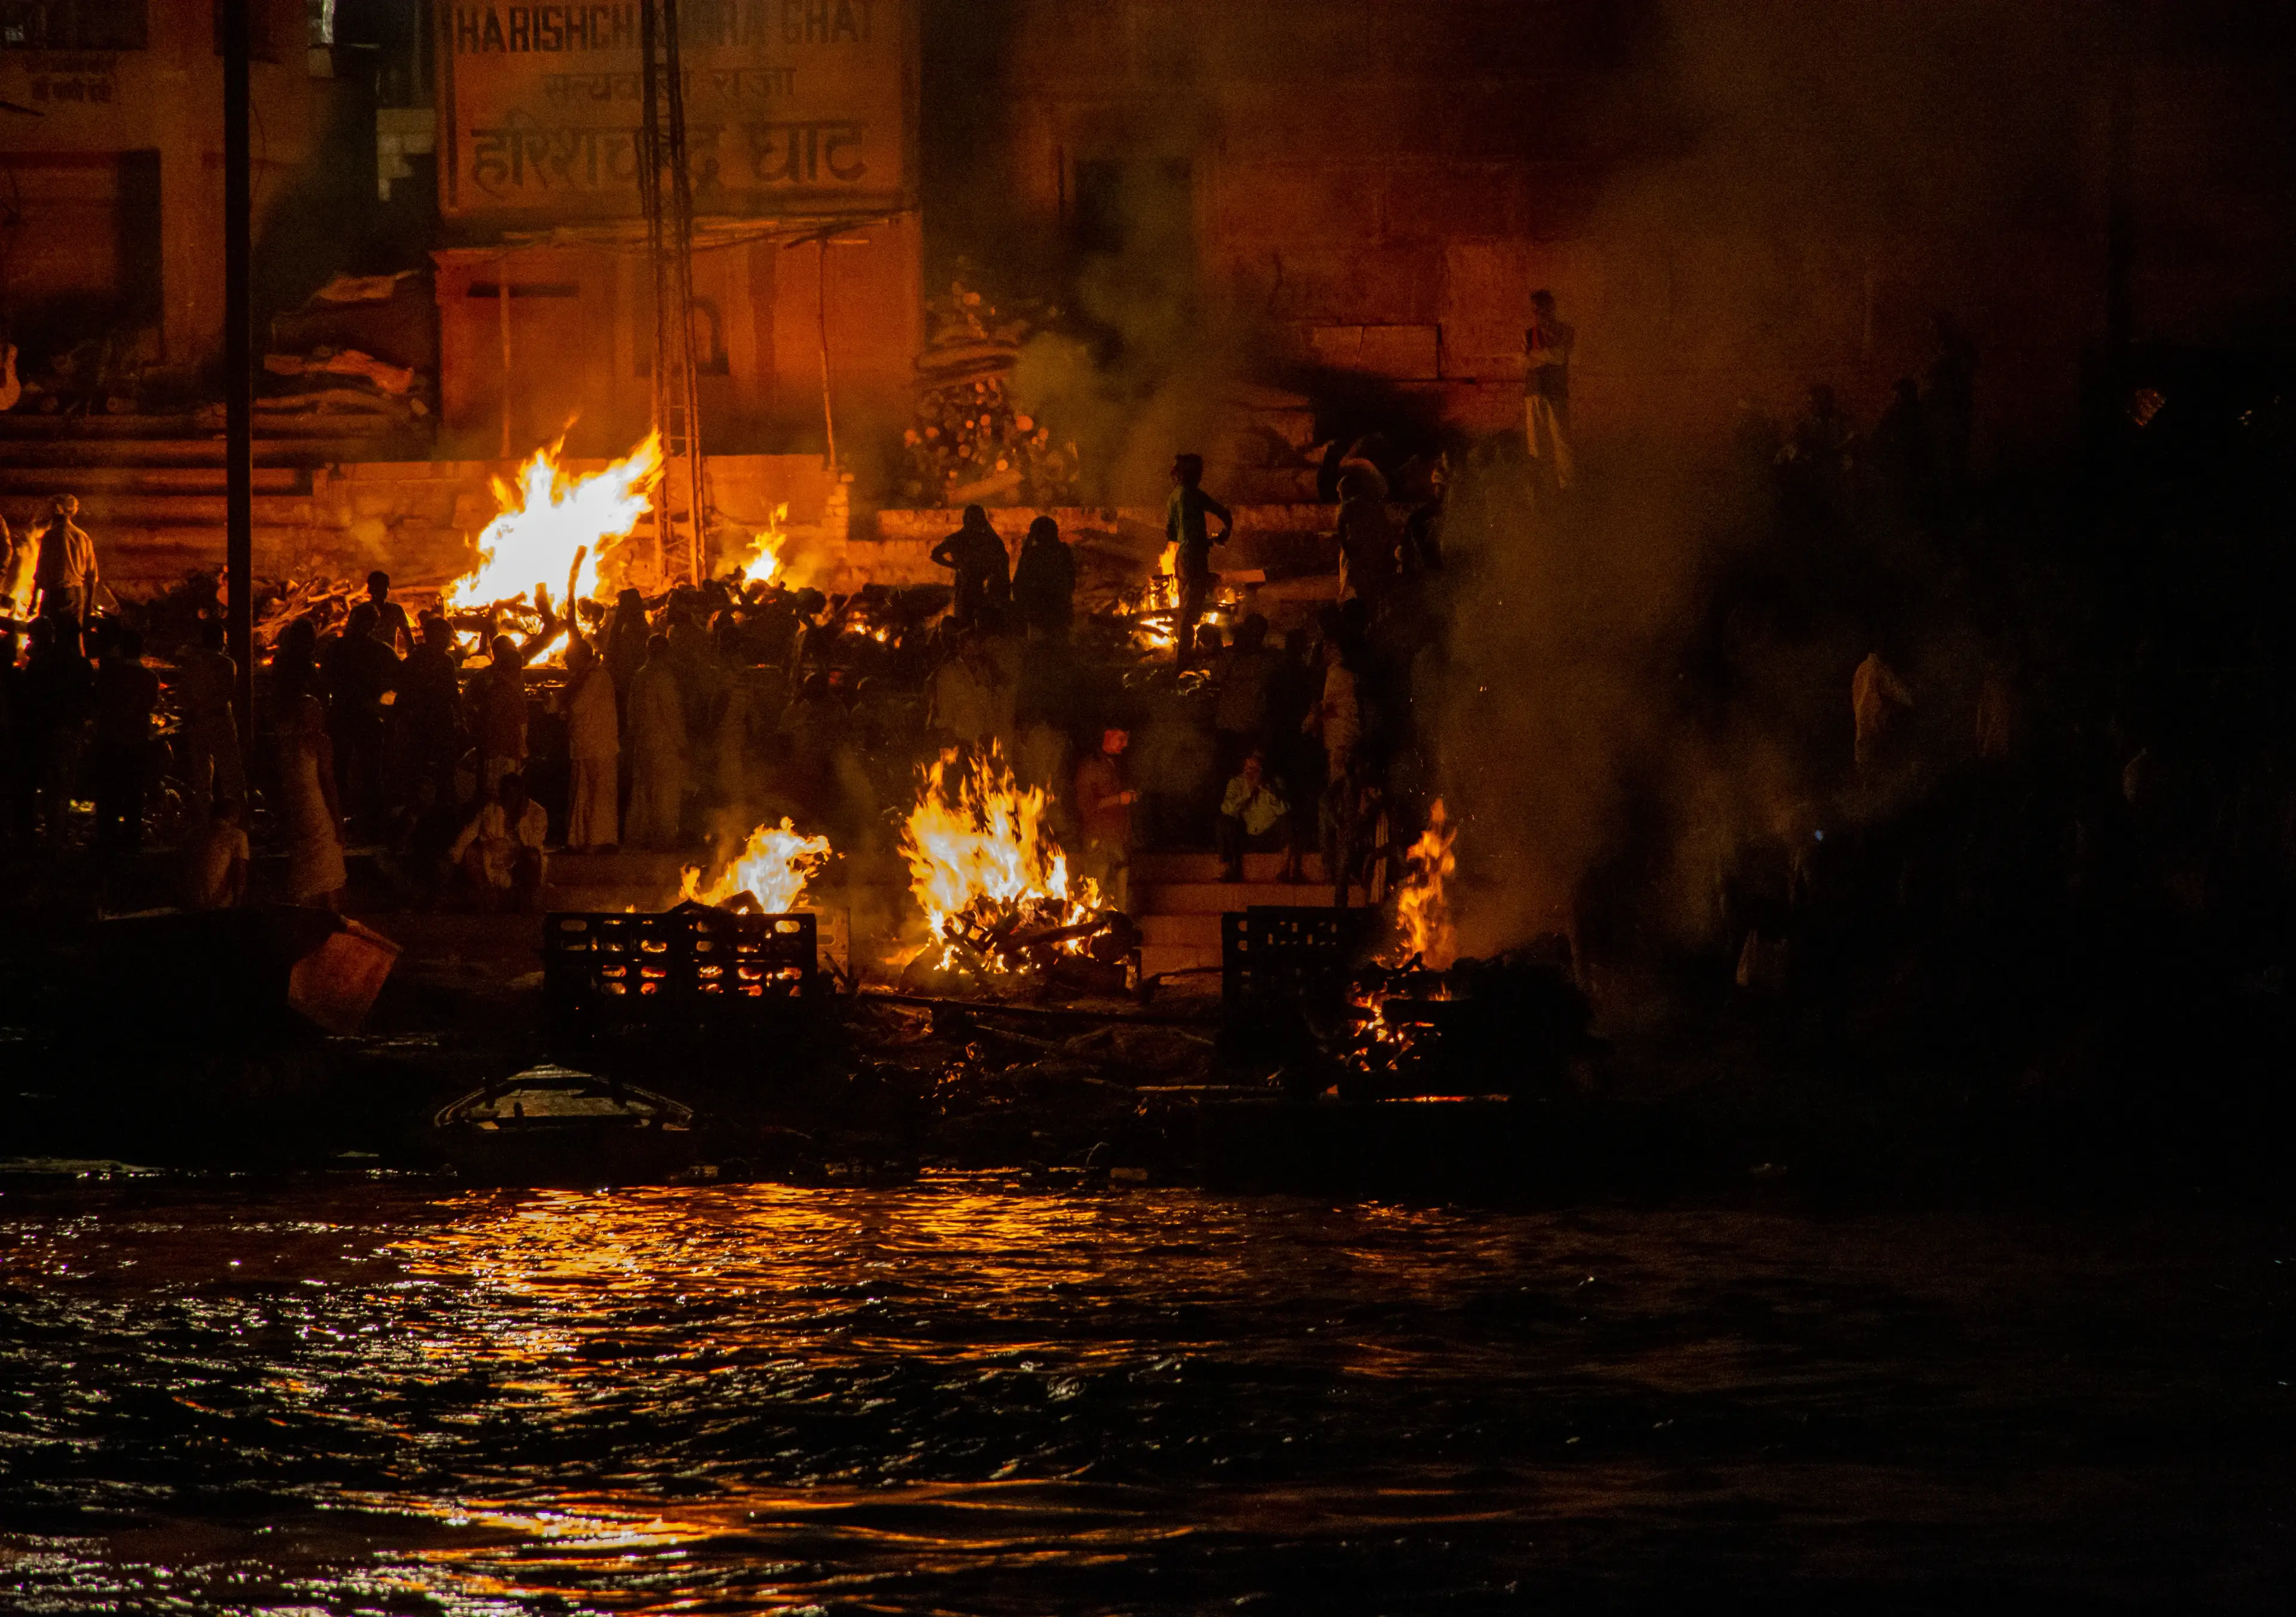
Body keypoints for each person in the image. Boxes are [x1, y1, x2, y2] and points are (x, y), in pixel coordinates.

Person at [472, 586, 558, 796]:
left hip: (505, 748)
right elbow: (511, 715)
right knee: (497, 792)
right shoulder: (490, 681)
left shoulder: (509, 676)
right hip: (498, 748)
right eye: (512, 651)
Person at [90, 627, 159, 855]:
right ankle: (132, 839)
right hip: (136, 740)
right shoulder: (150, 678)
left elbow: (97, 702)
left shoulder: (109, 676)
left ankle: (106, 838)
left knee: (108, 792)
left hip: (110, 739)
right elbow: (150, 705)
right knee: (134, 793)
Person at [280, 692, 348, 909]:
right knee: (328, 866)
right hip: (316, 807)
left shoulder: (286, 743)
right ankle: (331, 916)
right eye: (316, 710)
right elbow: (328, 783)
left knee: (304, 866)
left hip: (296, 809)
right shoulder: (320, 741)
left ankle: (305, 914)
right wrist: (338, 823)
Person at [173, 619, 243, 821]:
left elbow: (182, 697)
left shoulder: (191, 664)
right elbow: (228, 694)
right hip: (220, 722)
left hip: (197, 723)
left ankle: (206, 820)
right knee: (231, 775)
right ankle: (236, 821)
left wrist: (195, 710)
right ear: (221, 641)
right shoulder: (227, 664)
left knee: (202, 777)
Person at [622, 632, 688, 848]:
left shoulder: (640, 676)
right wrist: (682, 744)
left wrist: (636, 735)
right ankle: (664, 838)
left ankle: (641, 837)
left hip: (644, 742)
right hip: (664, 743)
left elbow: (631, 712)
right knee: (666, 792)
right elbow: (671, 714)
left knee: (644, 790)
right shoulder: (664, 678)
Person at [450, 769, 549, 911]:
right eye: (506, 793)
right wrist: (455, 853)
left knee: (533, 856)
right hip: (494, 856)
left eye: (514, 794)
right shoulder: (491, 809)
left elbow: (534, 843)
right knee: (471, 852)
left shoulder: (537, 812)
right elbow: (471, 831)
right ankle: (487, 895)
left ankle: (526, 898)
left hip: (520, 858)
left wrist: (518, 824)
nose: (510, 798)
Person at [1166, 453, 1232, 665]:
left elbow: (1171, 534)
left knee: (1185, 605)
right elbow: (1224, 513)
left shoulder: (1173, 497)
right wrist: (1223, 534)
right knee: (1193, 605)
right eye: (1199, 473)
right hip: (1194, 556)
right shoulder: (1193, 494)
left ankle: (1183, 652)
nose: (1201, 477)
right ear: (1191, 474)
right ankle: (1184, 657)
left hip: (1182, 557)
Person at [397, 613, 465, 809]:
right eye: (447, 635)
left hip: (423, 722)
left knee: (424, 767)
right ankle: (438, 806)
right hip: (432, 721)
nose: (449, 640)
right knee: (438, 768)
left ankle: (425, 806)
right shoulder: (441, 661)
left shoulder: (416, 660)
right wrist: (460, 718)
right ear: (436, 636)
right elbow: (452, 692)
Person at [562, 632, 619, 852]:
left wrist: (562, 706)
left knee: (598, 795)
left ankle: (599, 841)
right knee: (583, 794)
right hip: (585, 746)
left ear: (580, 657)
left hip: (599, 747)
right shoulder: (581, 677)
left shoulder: (596, 678)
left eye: (569, 656)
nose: (564, 660)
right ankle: (580, 840)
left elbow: (578, 706)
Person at [1073, 725, 1138, 913]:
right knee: (1096, 888)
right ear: (1108, 735)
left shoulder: (1119, 764)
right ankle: (1095, 923)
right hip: (1098, 838)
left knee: (1121, 882)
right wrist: (1118, 800)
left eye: (1127, 739)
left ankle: (1120, 922)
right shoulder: (1091, 766)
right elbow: (1086, 804)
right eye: (1121, 738)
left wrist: (1130, 797)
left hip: (1118, 837)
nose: (1124, 744)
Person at [1216, 748, 1302, 883]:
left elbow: (1285, 809)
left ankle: (1286, 871)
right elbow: (1226, 809)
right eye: (1247, 768)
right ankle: (1229, 870)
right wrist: (1247, 794)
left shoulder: (1276, 783)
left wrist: (1265, 790)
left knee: (1287, 821)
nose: (1249, 772)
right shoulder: (1236, 783)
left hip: (1270, 835)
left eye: (1254, 769)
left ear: (1262, 769)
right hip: (1247, 834)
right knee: (1223, 822)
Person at [1211, 612, 1278, 777]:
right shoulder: (1262, 660)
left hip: (1243, 726)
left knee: (1240, 773)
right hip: (1236, 726)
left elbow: (1217, 677)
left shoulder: (1262, 661)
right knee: (1234, 773)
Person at [1524, 289, 1576, 489]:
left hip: (1556, 392)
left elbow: (1560, 356)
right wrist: (1546, 356)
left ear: (1551, 309)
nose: (1537, 315)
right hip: (1534, 392)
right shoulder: (1529, 334)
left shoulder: (1566, 331)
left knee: (1561, 441)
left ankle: (1566, 486)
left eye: (1541, 310)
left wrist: (1536, 356)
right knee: (1536, 444)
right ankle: (1541, 487)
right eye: (1535, 311)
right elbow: (1525, 361)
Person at [930, 505, 1012, 629]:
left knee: (972, 624)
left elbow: (936, 554)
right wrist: (956, 566)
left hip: (978, 589)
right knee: (972, 624)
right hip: (971, 588)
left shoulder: (981, 539)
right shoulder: (983, 539)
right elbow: (936, 554)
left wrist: (955, 566)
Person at [1333, 468, 1397, 611]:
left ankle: (1352, 608)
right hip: (1370, 549)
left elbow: (1341, 523)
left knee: (1353, 581)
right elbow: (1384, 526)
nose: (1340, 496)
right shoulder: (1372, 504)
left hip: (1357, 549)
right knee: (1368, 581)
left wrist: (1346, 545)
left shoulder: (1350, 505)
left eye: (1340, 492)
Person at [31, 494, 99, 625]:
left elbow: (42, 572)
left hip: (55, 595)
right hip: (77, 596)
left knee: (51, 634)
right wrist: (88, 606)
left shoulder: (51, 536)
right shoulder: (83, 537)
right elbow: (92, 576)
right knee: (73, 634)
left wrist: (34, 603)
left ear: (56, 512)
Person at [1012, 514, 1076, 640]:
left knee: (1040, 647)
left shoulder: (1033, 555)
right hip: (1060, 612)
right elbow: (1071, 581)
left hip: (1039, 615)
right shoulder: (1064, 551)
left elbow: (1019, 584)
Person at [179, 796, 250, 910]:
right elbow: (240, 872)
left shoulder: (192, 834)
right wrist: (238, 905)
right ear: (234, 815)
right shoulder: (237, 836)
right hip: (218, 904)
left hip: (190, 900)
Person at [1851, 649, 1914, 775]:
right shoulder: (1878, 670)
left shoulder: (1863, 669)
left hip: (1865, 737)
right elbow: (1904, 695)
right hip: (1874, 735)